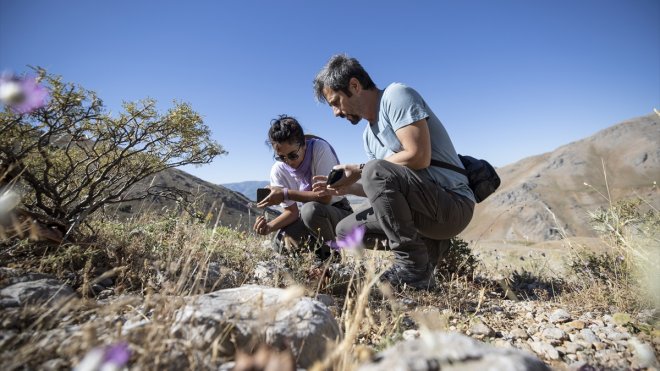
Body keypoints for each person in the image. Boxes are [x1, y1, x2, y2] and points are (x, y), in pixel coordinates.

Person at [312, 54, 475, 290]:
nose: (336, 112)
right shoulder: (368, 135)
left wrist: (360, 170)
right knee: (345, 231)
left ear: (354, 86)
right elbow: (384, 189)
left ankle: (413, 268)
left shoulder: (396, 96)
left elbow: (418, 156)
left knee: (374, 169)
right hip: (424, 207)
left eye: (336, 102)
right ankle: (428, 251)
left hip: (452, 204)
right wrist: (347, 187)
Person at [253, 114, 352, 259]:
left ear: (304, 144)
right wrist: (268, 227)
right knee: (281, 244)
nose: (288, 162)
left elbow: (325, 198)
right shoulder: (278, 169)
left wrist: (285, 193)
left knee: (310, 210)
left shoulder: (319, 149)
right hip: (308, 217)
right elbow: (291, 212)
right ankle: (308, 264)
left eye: (293, 155)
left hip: (338, 211)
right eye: (281, 157)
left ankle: (330, 261)